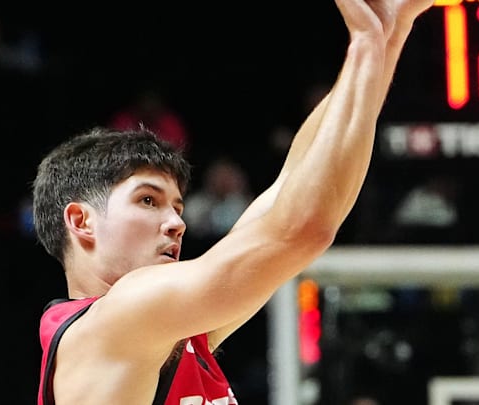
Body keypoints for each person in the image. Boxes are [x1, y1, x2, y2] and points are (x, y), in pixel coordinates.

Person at [31, 0, 435, 404]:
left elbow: (293, 182)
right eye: (148, 200)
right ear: (81, 221)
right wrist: (366, 44)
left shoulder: (167, 332)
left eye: (177, 207)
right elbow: (302, 230)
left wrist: (387, 36)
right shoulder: (113, 323)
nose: (175, 223)